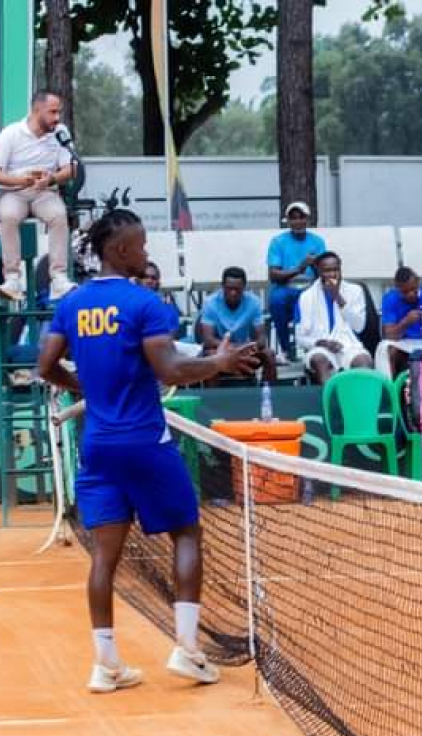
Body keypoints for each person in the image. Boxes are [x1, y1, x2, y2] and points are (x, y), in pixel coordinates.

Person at [37, 208, 260, 693]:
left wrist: (84, 391)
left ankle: (106, 664)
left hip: (97, 445)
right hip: (143, 441)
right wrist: (217, 360)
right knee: (185, 532)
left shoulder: (72, 304)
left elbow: (45, 365)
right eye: (140, 245)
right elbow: (170, 370)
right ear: (119, 251)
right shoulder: (144, 304)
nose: (146, 252)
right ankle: (188, 650)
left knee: (104, 556)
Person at [0, 90, 76, 301]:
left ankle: (59, 278)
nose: (57, 118)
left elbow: (71, 169)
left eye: (59, 113)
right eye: (52, 112)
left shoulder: (60, 132)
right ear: (37, 110)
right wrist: (20, 180)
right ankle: (12, 279)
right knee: (7, 215)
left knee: (58, 214)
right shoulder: (11, 133)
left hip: (45, 191)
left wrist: (51, 179)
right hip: (14, 192)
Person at [295, 252, 373, 384]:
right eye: (327, 270)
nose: (332, 274)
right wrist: (322, 343)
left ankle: (358, 403)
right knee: (320, 360)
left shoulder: (355, 291)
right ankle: (330, 402)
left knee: (364, 361)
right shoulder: (306, 297)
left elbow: (359, 326)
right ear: (319, 272)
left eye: (335, 269)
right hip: (320, 347)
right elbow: (300, 338)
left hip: (349, 346)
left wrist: (338, 297)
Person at [267, 202, 325, 362]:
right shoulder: (278, 242)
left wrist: (314, 265)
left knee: (314, 300)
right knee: (276, 300)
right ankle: (286, 349)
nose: (297, 222)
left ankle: (310, 347)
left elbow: (324, 271)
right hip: (286, 286)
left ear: (307, 219)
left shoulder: (317, 242)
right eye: (293, 218)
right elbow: (273, 274)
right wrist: (299, 268)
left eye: (301, 218)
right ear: (288, 221)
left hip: (310, 287)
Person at [199, 267, 277, 383]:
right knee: (210, 357)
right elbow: (208, 340)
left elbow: (261, 339)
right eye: (229, 289)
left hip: (246, 350)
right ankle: (213, 400)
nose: (233, 293)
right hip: (220, 350)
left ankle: (268, 395)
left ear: (244, 288)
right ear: (222, 286)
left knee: (269, 354)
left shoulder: (254, 302)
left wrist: (247, 348)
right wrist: (233, 348)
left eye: (237, 289)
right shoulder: (210, 303)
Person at [139, 261, 184, 340]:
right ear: (138, 279)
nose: (149, 281)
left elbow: (172, 335)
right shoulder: (130, 305)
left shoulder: (167, 307)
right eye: (145, 277)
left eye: (153, 278)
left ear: (157, 282)